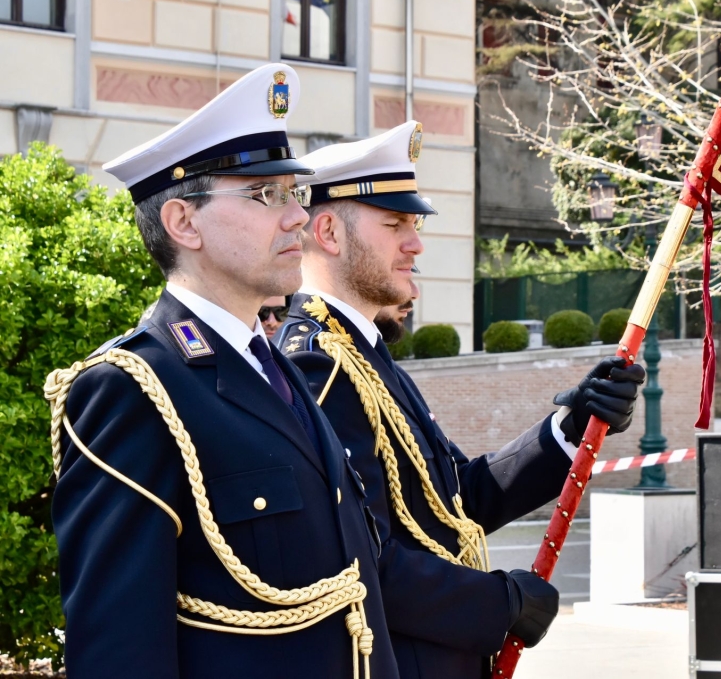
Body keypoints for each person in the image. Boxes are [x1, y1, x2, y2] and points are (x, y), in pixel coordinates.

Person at [46, 64, 397, 679]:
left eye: (295, 193)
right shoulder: (133, 390)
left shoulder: (274, 370)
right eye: (267, 195)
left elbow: (355, 598)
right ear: (184, 222)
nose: (296, 218)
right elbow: (120, 652)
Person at [274, 121, 645, 679]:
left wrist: (571, 427)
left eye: (414, 224)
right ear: (328, 231)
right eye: (395, 224)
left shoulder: (365, 355)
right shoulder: (317, 365)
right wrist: (500, 605)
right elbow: (360, 562)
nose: (415, 244)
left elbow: (454, 502)